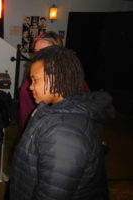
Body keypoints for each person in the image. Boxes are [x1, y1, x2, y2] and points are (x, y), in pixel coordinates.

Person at [10, 46, 114, 200]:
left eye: (35, 79)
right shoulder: (56, 111)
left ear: (58, 77)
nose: (31, 86)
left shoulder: (63, 133)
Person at [19, 31, 64, 131]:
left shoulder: (64, 77)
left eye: (44, 51)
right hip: (28, 127)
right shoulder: (34, 71)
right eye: (36, 52)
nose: (39, 55)